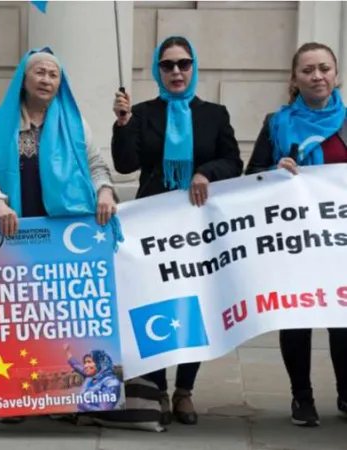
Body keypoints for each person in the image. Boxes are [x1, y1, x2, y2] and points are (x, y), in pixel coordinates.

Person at [0, 47, 120, 423]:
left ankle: (63, 398)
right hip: (18, 234)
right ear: (24, 77)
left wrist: (105, 191)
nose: (46, 80)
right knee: (20, 315)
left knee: (62, 317)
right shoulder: (2, 122)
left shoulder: (74, 123)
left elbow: (97, 166)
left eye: (53, 75)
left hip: (64, 236)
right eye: (39, 72)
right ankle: (17, 399)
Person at [110, 36, 243, 425]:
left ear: (193, 67)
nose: (176, 72)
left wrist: (205, 172)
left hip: (198, 226)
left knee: (194, 306)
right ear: (158, 70)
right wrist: (122, 125)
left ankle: (185, 390)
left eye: (183, 64)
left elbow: (233, 161)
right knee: (156, 304)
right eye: (167, 65)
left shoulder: (214, 114)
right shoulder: (141, 112)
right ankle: (158, 390)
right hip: (153, 223)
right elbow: (124, 165)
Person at [245, 42, 347, 427]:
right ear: (294, 78)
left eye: (324, 68)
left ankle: (345, 393)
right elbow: (250, 176)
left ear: (335, 74)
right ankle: (301, 398)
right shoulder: (277, 123)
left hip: (340, 243)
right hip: (293, 242)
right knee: (297, 319)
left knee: (343, 321)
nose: (317, 76)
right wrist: (274, 171)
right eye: (308, 70)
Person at [64, 344, 121, 412]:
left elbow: (104, 410)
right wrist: (67, 351)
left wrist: (82, 405)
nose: (85, 365)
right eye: (85, 362)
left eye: (89, 362)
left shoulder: (111, 383)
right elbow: (75, 365)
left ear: (100, 363)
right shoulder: (90, 376)